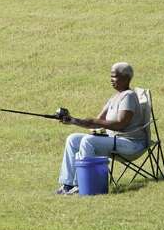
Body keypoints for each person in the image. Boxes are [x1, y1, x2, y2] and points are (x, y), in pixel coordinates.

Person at [55, 62, 147, 195]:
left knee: (88, 141)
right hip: (114, 141)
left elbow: (121, 123)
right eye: (111, 76)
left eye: (114, 76)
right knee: (73, 139)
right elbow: (96, 123)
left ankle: (83, 185)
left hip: (131, 144)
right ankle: (67, 184)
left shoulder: (129, 96)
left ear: (126, 78)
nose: (111, 79)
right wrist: (72, 120)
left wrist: (95, 121)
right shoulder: (114, 98)